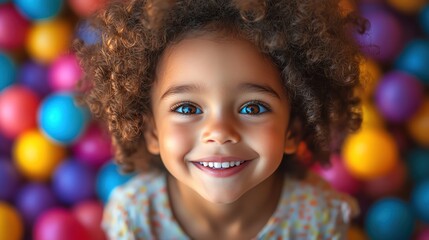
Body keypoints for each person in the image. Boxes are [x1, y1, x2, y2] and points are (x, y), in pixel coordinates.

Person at [74, 0, 365, 239]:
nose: (219, 132)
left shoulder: (317, 220)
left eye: (252, 108)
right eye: (188, 109)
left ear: (292, 130)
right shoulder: (136, 218)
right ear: (152, 131)